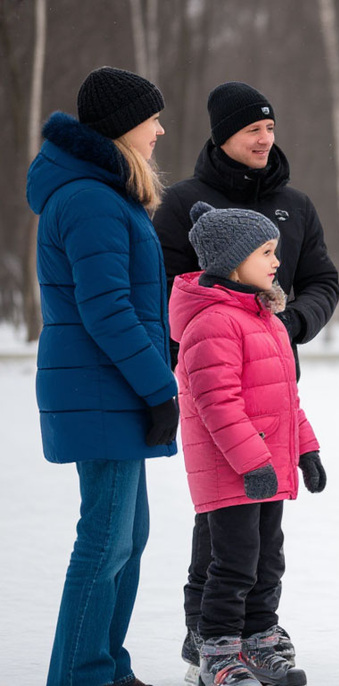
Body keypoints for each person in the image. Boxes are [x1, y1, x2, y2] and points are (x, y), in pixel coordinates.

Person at [152, 81, 339, 680]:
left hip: (273, 376)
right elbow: (166, 290)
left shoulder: (296, 204)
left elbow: (322, 281)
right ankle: (207, 637)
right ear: (222, 134)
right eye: (253, 129)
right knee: (222, 532)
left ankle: (252, 631)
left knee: (260, 544)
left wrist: (289, 322)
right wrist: (193, 349)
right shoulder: (183, 204)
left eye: (271, 128)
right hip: (219, 386)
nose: (265, 138)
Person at [27, 66, 178, 686]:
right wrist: (159, 386)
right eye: (151, 120)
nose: (161, 131)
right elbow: (107, 308)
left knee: (127, 537)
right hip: (102, 388)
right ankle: (82, 674)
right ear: (122, 128)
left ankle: (106, 667)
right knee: (105, 542)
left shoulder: (102, 192)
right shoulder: (90, 198)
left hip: (108, 386)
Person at [170, 201, 327, 686]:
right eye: (265, 252)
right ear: (232, 261)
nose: (277, 262)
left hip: (267, 469)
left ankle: (259, 641)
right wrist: (254, 461)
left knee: (267, 561)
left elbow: (285, 398)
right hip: (233, 471)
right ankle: (216, 650)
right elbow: (220, 406)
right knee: (234, 564)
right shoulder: (213, 323)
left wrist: (307, 449)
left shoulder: (266, 318)